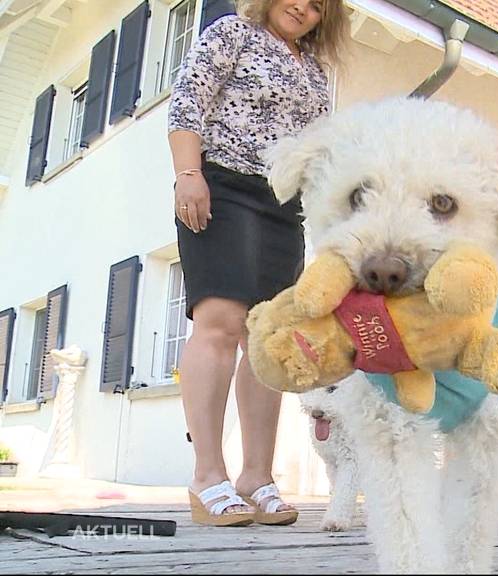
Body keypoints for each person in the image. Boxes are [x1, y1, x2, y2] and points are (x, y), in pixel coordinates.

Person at [167, 0, 348, 526]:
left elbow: (320, 151)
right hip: (220, 183)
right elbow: (187, 103)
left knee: (268, 342)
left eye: (318, 6)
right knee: (221, 322)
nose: (303, 7)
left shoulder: (315, 71)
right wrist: (187, 174)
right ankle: (206, 476)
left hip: (283, 205)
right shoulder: (233, 32)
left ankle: (255, 475)